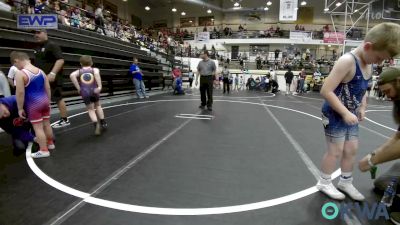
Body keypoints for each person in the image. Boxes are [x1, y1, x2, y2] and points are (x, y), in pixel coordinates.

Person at [316, 22, 400, 201]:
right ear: (368, 46)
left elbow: (362, 89)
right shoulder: (347, 61)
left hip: (350, 114)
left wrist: (362, 106)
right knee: (335, 151)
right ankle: (324, 181)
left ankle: (346, 181)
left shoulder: (368, 63)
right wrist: (345, 113)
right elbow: (326, 90)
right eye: (379, 58)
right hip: (334, 113)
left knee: (351, 149)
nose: (379, 62)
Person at [11, 51, 55, 159]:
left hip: (33, 103)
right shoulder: (41, 71)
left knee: (38, 128)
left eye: (15, 65)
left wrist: (20, 108)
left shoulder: (20, 73)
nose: (16, 67)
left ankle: (44, 150)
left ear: (17, 60)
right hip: (45, 100)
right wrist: (48, 101)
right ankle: (50, 143)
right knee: (47, 124)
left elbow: (20, 92)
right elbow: (48, 87)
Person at [33, 29, 70, 128]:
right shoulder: (37, 48)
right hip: (41, 78)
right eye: (35, 33)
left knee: (57, 98)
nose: (36, 35)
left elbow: (60, 60)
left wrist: (53, 73)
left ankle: (65, 119)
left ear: (45, 33)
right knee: (42, 98)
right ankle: (42, 118)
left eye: (38, 32)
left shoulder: (52, 45)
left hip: (53, 78)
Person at [69, 55, 107, 135]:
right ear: (92, 62)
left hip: (85, 92)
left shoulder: (79, 71)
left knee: (90, 109)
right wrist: (100, 86)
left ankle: (96, 124)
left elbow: (72, 75)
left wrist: (78, 88)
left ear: (81, 64)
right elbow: (96, 74)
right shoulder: (94, 69)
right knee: (98, 106)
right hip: (94, 90)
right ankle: (103, 122)